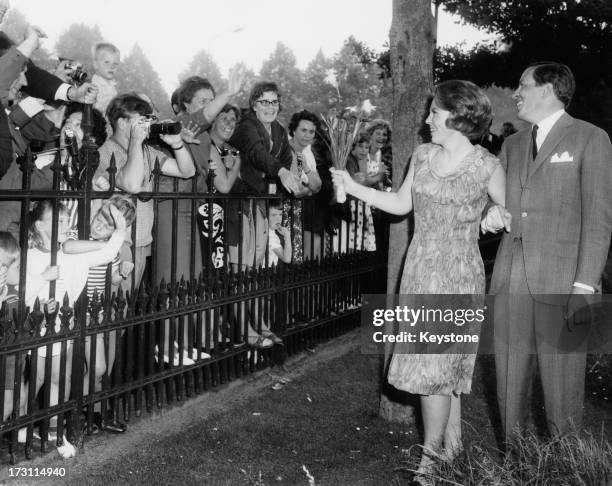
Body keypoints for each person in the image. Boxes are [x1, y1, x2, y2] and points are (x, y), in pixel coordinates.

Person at [332, 80, 506, 484]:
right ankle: (454, 449)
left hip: (459, 273)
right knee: (439, 368)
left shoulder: (487, 165)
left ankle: (429, 463)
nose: (427, 118)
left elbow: (508, 210)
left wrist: (495, 218)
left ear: (458, 116)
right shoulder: (424, 155)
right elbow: (399, 204)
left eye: (434, 112)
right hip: (420, 267)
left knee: (434, 370)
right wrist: (353, 186)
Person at [482, 62, 612, 441]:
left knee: (562, 399)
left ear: (548, 89)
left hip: (564, 286)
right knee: (509, 393)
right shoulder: (512, 144)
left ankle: (564, 474)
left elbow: (599, 222)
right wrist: (492, 212)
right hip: (511, 283)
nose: (516, 93)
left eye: (522, 85)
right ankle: (516, 471)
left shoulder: (591, 138)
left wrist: (584, 288)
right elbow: (501, 201)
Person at [24, 200, 127, 457]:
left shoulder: (70, 256)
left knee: (60, 379)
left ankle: (54, 431)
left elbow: (106, 254)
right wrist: (42, 279)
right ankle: (22, 425)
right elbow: (21, 297)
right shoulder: (32, 256)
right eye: (57, 221)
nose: (64, 226)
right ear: (39, 226)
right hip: (36, 330)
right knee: (34, 379)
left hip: (63, 328)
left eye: (65, 221)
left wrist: (121, 227)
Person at [287, 110, 323, 263]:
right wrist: (310, 188)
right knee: (291, 259)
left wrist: (309, 182)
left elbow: (318, 186)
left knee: (303, 260)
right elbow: (296, 191)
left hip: (303, 211)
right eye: (303, 130)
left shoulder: (306, 153)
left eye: (311, 132)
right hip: (287, 211)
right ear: (294, 130)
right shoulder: (287, 150)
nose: (307, 135)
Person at [91, 42, 120, 115]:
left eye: (115, 63)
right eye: (106, 62)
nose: (112, 67)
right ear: (95, 64)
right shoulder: (94, 86)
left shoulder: (112, 86)